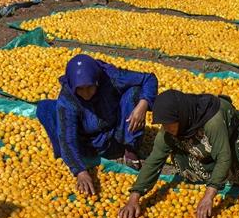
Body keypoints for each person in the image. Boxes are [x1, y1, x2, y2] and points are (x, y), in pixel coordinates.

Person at [117, 90, 239, 218]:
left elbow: (223, 157)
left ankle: (227, 173)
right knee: (181, 160)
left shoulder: (212, 120)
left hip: (234, 136)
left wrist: (208, 196)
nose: (166, 128)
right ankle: (222, 174)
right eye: (164, 125)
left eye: (169, 124)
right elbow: (154, 160)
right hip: (213, 148)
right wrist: (134, 198)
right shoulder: (170, 128)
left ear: (181, 116)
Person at [37, 54, 158, 195]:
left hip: (114, 136)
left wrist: (144, 104)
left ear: (97, 80)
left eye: (90, 87)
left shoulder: (111, 78)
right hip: (87, 142)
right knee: (45, 108)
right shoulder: (68, 99)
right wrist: (80, 171)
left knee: (135, 92)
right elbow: (67, 138)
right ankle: (74, 158)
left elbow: (149, 78)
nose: (86, 93)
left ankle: (130, 149)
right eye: (80, 89)